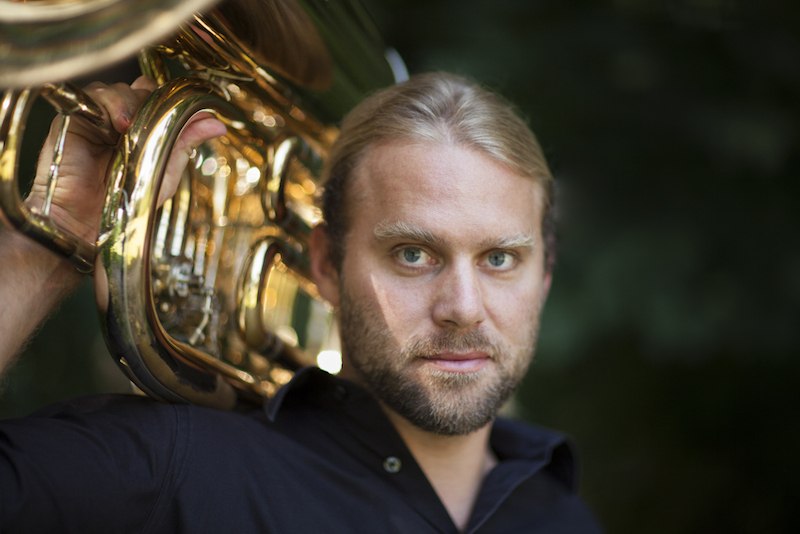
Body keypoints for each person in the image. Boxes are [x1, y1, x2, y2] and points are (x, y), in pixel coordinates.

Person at [0, 72, 601, 532]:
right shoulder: (179, 471)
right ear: (325, 264)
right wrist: (47, 245)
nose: (463, 308)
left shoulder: (559, 513)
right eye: (413, 255)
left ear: (544, 275)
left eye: (500, 259)